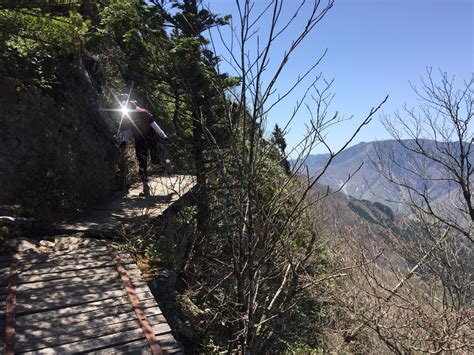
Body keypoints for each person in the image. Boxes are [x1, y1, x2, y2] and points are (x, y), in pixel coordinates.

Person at [118, 95, 167, 196]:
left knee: (156, 161)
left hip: (151, 137)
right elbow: (126, 131)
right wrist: (124, 141)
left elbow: (153, 124)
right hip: (139, 139)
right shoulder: (125, 115)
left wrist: (163, 135)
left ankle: (166, 165)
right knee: (141, 161)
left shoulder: (142, 113)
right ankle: (145, 187)